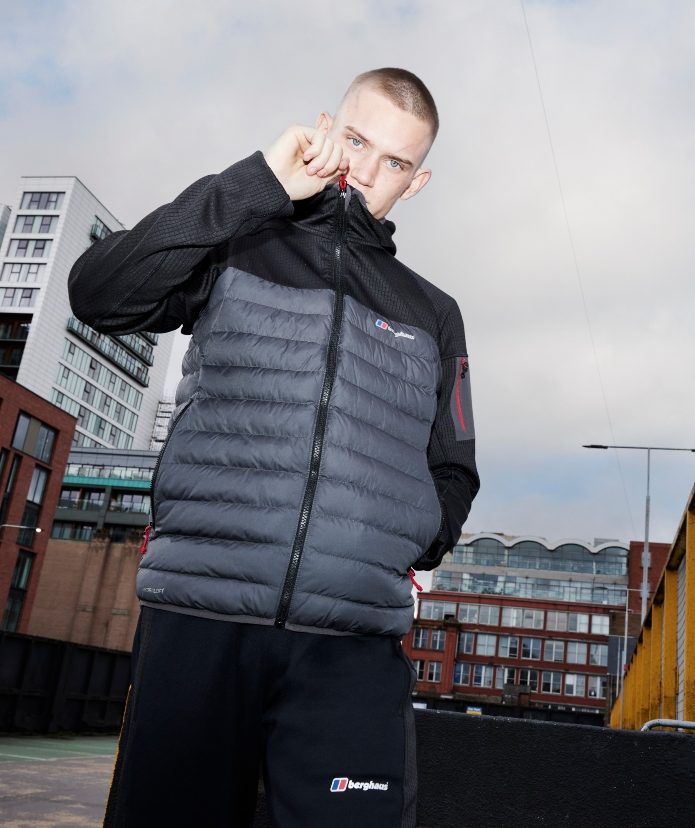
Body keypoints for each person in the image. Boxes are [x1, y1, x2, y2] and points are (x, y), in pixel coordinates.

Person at [69, 67, 479, 828]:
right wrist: (254, 185)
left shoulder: (433, 312)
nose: (365, 169)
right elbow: (99, 295)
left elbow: (454, 466)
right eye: (355, 140)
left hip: (351, 644)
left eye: (394, 161)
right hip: (199, 619)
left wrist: (395, 545)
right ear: (324, 129)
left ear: (415, 182)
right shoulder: (239, 244)